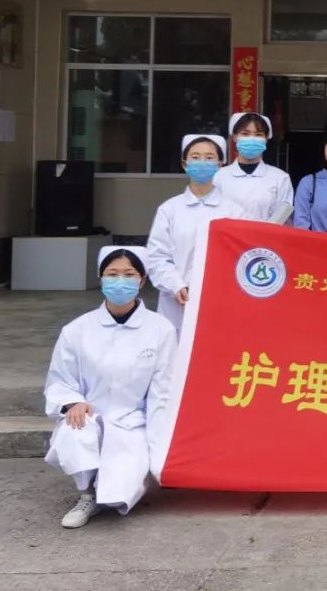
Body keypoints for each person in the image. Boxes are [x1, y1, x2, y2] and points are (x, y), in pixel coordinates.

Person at [43, 246, 177, 529]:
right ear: (101, 279)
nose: (120, 281)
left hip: (134, 421)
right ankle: (86, 494)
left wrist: (159, 449)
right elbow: (60, 379)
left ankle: (121, 480)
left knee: (119, 494)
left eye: (128, 274)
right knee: (75, 433)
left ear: (142, 280)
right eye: (112, 274)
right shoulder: (77, 330)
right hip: (89, 415)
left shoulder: (160, 329)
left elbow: (162, 392)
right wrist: (73, 402)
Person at [146, 134, 243, 335]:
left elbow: (240, 257)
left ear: (219, 165)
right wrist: (176, 285)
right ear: (184, 164)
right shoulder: (169, 209)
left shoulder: (234, 211)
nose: (202, 162)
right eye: (195, 157)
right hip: (176, 301)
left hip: (219, 299)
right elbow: (157, 257)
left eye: (209, 157)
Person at [213, 111, 294, 222]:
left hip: (266, 234)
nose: (251, 139)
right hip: (227, 234)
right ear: (235, 137)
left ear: (266, 139)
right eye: (245, 134)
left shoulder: (280, 178)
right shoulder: (218, 176)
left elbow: (282, 219)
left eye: (258, 134)